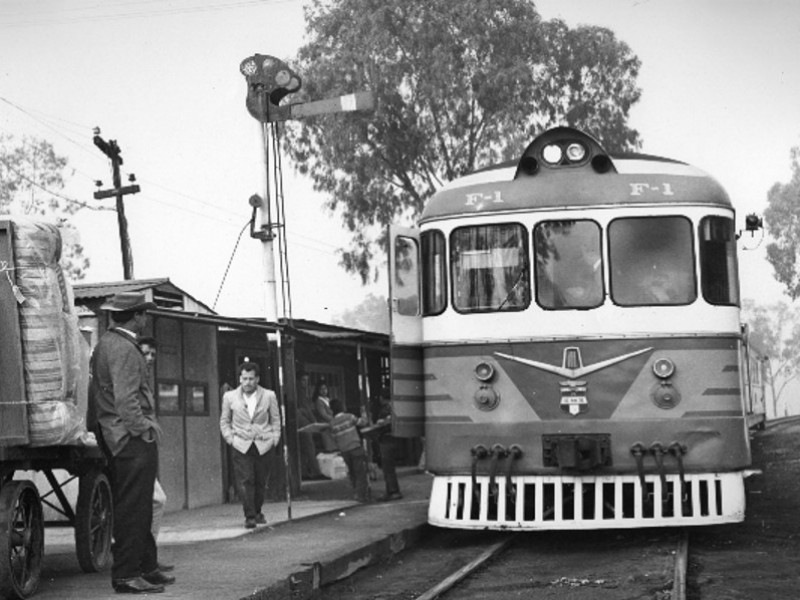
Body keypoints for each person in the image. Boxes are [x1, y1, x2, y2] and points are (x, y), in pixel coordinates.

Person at [89, 292, 173, 594]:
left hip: (116, 434)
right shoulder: (125, 348)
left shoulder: (107, 343)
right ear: (137, 316)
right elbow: (126, 401)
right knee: (135, 508)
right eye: (144, 314)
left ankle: (144, 567)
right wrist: (144, 430)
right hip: (129, 438)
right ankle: (126, 574)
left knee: (140, 505)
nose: (146, 319)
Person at [219, 360, 281, 529]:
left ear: (258, 379)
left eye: (251, 379)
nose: (248, 382)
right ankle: (250, 516)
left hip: (264, 444)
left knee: (261, 481)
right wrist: (230, 439)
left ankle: (258, 510)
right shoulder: (229, 397)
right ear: (240, 379)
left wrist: (275, 438)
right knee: (245, 480)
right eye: (244, 378)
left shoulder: (269, 395)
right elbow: (225, 421)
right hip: (241, 444)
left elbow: (275, 419)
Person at [137, 336, 173, 574]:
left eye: (152, 355)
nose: (149, 358)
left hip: (144, 445)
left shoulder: (145, 379)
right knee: (155, 500)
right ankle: (144, 558)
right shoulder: (133, 376)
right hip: (132, 445)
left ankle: (148, 556)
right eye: (145, 353)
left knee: (156, 501)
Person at [329, 399, 370, 502]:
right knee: (360, 472)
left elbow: (334, 438)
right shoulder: (349, 417)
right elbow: (364, 422)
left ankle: (356, 492)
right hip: (355, 447)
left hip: (344, 451)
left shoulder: (332, 423)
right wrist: (364, 412)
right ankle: (361, 495)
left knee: (352, 472)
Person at [374, 389, 403, 502]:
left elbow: (385, 422)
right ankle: (392, 490)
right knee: (389, 467)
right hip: (394, 437)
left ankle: (393, 491)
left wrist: (381, 422)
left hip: (387, 438)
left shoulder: (387, 409)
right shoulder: (396, 406)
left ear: (382, 398)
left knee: (387, 467)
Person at [296, 372, 323, 480]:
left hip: (301, 420)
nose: (305, 383)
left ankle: (304, 473)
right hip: (302, 421)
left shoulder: (300, 391)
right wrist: (314, 421)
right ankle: (315, 472)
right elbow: (306, 409)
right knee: (309, 446)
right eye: (303, 380)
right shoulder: (299, 392)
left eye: (307, 380)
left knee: (303, 449)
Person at [313, 381, 337, 453]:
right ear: (318, 390)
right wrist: (333, 420)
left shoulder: (328, 399)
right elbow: (323, 414)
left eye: (325, 388)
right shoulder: (319, 401)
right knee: (329, 446)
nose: (324, 391)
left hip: (331, 424)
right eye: (321, 389)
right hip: (325, 424)